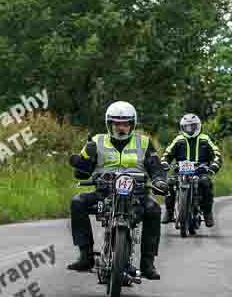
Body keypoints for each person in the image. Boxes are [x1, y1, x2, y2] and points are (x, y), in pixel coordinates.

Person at [68, 101, 169, 279]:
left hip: (137, 193)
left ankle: (147, 263)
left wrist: (160, 181)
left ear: (132, 124)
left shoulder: (144, 143)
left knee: (154, 209)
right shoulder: (96, 141)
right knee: (77, 202)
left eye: (125, 123)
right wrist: (80, 162)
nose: (121, 127)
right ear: (110, 124)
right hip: (104, 191)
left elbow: (155, 166)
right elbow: (82, 171)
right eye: (116, 123)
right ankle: (86, 255)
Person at [160, 114, 223, 227]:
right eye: (186, 127)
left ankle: (207, 212)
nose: (189, 130)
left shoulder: (205, 139)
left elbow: (216, 154)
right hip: (180, 171)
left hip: (201, 171)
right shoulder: (178, 139)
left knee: (206, 183)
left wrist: (214, 166)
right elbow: (167, 154)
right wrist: (164, 163)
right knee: (170, 182)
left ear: (198, 126)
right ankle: (169, 212)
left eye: (192, 126)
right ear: (182, 128)